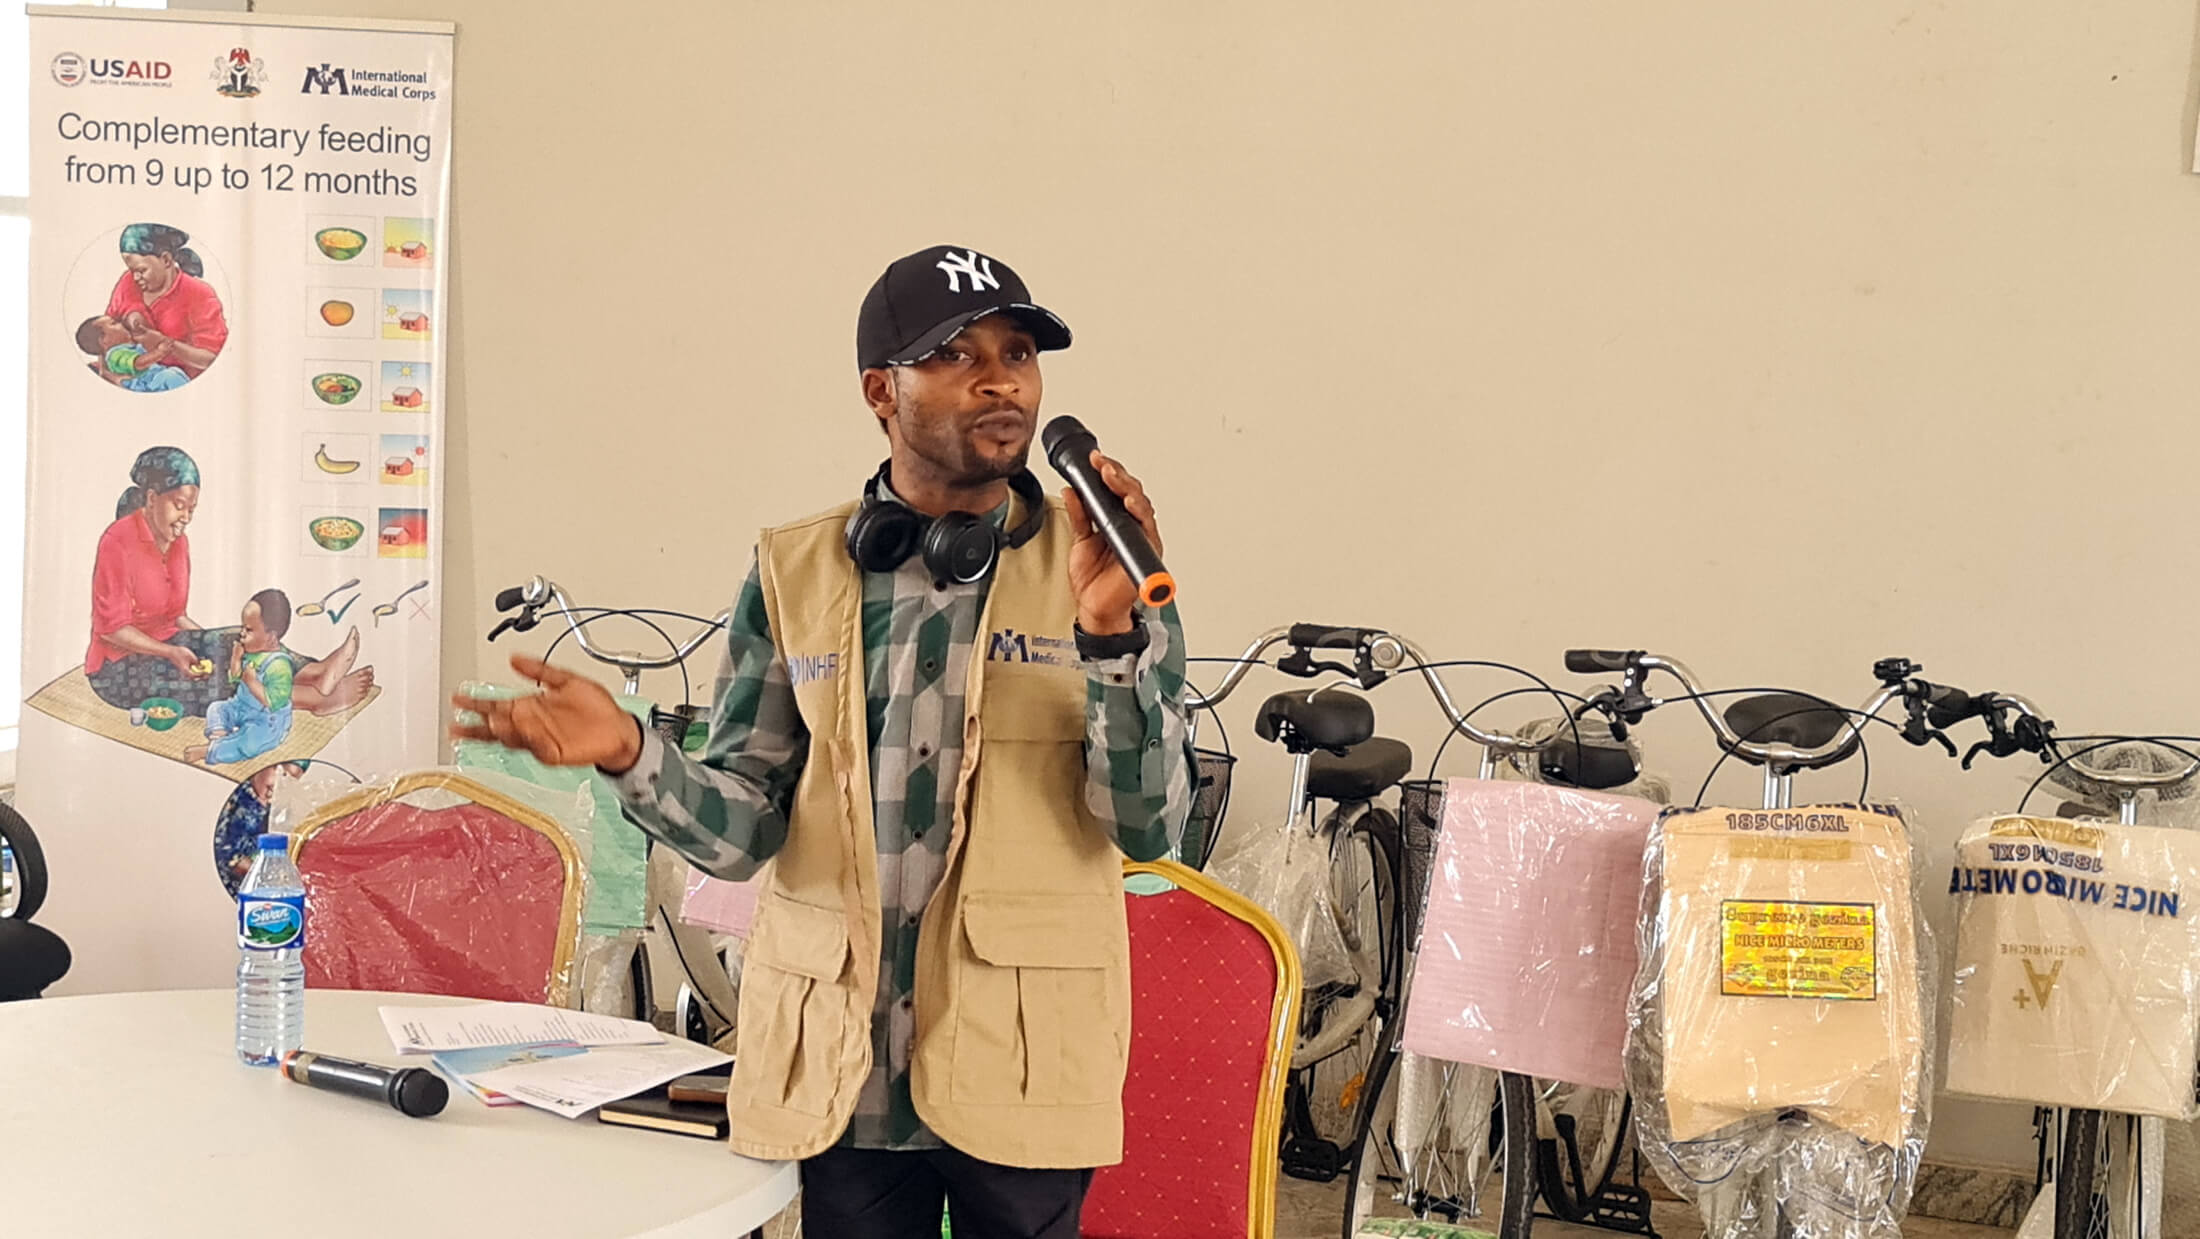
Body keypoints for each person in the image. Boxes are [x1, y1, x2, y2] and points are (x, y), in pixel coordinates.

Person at [453, 245, 1192, 1238]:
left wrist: (1109, 643)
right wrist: (630, 752)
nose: (998, 377)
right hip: (838, 1075)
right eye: (954, 355)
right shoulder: (793, 572)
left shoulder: (1105, 565)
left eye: (1017, 352)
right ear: (880, 391)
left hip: (1023, 1065)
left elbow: (1150, 829)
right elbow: (741, 832)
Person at [86, 447, 374, 719]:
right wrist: (173, 652)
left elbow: (176, 617)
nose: (185, 518)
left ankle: (314, 671)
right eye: (179, 506)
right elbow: (112, 629)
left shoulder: (178, 542)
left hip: (170, 643)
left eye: (192, 509)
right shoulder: (117, 542)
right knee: (218, 682)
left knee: (240, 640)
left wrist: (215, 643)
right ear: (152, 499)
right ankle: (315, 700)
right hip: (117, 670)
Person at [185, 590, 300, 767]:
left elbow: (273, 702)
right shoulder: (252, 652)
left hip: (267, 721)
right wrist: (236, 659)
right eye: (242, 627)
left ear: (271, 637)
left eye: (249, 629)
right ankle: (220, 736)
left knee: (249, 741)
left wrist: (252, 682)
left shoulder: (279, 665)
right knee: (217, 708)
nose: (242, 634)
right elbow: (235, 678)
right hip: (242, 706)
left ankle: (211, 751)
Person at [103, 223, 227, 381]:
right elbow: (102, 335)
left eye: (141, 271)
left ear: (166, 260)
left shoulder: (200, 294)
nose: (134, 278)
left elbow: (210, 359)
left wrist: (165, 344)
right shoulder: (127, 282)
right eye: (131, 270)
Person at [76, 314, 189, 393]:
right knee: (170, 376)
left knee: (173, 374)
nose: (120, 324)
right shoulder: (115, 355)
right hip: (146, 385)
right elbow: (138, 363)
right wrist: (159, 352)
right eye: (114, 324)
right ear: (104, 340)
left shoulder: (124, 348)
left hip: (153, 379)